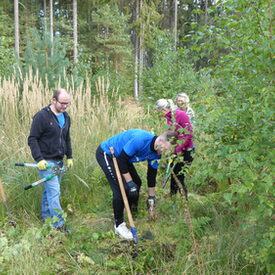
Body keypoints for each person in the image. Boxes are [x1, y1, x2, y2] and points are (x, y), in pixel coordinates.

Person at [96, 129, 174, 240]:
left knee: (137, 182)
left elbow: (151, 174)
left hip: (123, 158)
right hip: (108, 154)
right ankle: (119, 225)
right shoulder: (140, 140)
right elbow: (121, 161)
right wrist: (129, 183)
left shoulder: (157, 152)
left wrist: (151, 196)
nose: (165, 153)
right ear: (161, 141)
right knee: (120, 188)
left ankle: (131, 211)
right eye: (166, 149)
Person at [28, 88, 73, 231]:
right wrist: (39, 159)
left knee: (49, 191)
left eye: (68, 103)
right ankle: (59, 225)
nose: (65, 106)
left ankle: (46, 217)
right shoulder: (42, 116)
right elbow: (32, 139)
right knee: (54, 192)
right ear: (53, 100)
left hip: (59, 161)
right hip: (46, 162)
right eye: (62, 103)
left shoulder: (66, 117)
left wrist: (70, 156)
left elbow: (66, 138)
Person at [155, 98, 194, 198]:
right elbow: (173, 134)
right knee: (173, 175)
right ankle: (172, 198)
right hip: (176, 150)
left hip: (186, 150)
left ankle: (184, 201)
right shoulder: (169, 118)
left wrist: (179, 149)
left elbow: (188, 135)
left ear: (164, 109)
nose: (160, 114)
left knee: (179, 176)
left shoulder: (181, 115)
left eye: (160, 111)